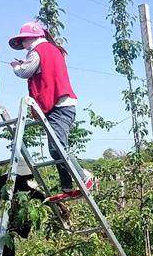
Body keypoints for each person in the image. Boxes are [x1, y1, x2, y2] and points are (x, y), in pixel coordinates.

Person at [8, 21, 94, 202]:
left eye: (23, 40)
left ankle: (84, 177)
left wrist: (16, 66)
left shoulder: (38, 51)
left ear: (31, 38)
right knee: (56, 148)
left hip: (60, 106)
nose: (23, 44)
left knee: (58, 147)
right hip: (62, 105)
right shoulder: (52, 50)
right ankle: (68, 186)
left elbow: (25, 71)